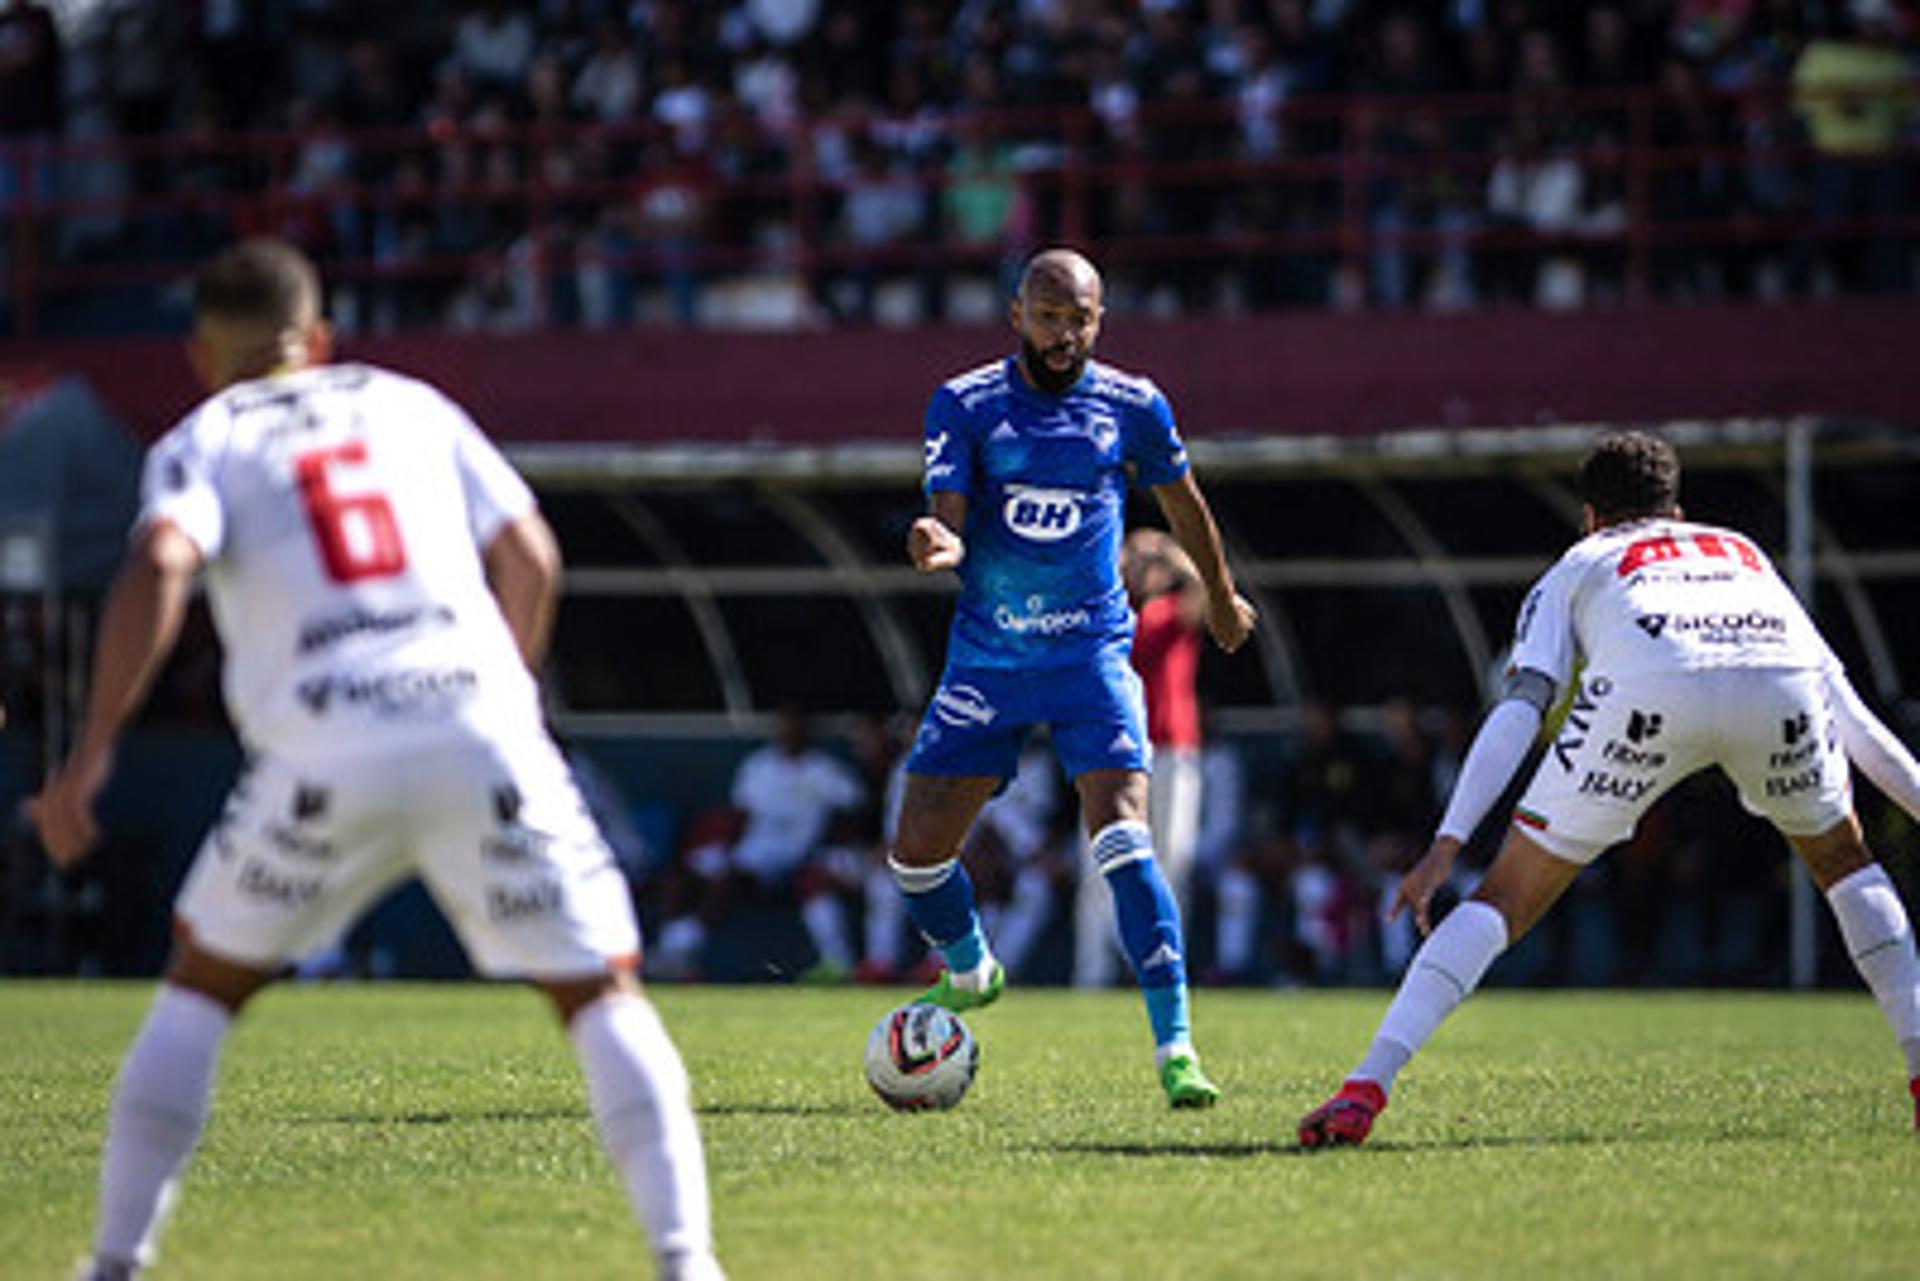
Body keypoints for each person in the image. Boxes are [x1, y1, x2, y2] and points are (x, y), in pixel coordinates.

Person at [28, 238, 722, 1280]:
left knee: (201, 989)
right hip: (477, 722)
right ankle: (687, 1263)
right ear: (321, 337)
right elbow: (531, 554)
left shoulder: (202, 435)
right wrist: (509, 698)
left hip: (323, 742)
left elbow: (163, 560)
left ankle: (115, 1264)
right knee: (599, 995)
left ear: (200, 355)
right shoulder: (413, 405)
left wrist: (88, 756)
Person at [1298, 431, 1920, 1147]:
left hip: (1646, 696)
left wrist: (1447, 844)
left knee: (1501, 899)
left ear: (1590, 514)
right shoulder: (1743, 552)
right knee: (1846, 864)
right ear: (1679, 512)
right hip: (1773, 685)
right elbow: (1856, 719)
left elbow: (1522, 705)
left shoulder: (1581, 561)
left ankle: (1364, 1087)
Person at [892, 246, 1256, 1107]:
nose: (1065, 334)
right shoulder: (967, 402)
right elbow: (947, 517)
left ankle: (1176, 1050)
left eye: (1081, 318)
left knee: (1124, 834)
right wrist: (938, 544)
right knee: (915, 856)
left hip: (1091, 654)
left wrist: (1225, 597)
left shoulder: (1132, 403)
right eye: (1050, 315)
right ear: (1017, 314)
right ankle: (973, 968)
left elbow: (1183, 504)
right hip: (990, 658)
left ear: (1101, 319)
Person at [1074, 527, 1206, 989]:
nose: (1142, 567)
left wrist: (1171, 552)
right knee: (1098, 867)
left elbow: (1207, 591)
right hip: (1113, 754)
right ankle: (1090, 975)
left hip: (1172, 751)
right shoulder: (1107, 615)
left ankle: (1166, 974)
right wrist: (1121, 561)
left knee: (1172, 863)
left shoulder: (1172, 613)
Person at [651, 705, 865, 981]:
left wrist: (823, 844)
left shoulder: (825, 771)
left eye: (795, 726)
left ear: (807, 732)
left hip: (793, 856)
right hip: (751, 848)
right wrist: (727, 847)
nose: (788, 732)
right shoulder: (759, 765)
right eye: (783, 725)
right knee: (681, 877)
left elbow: (853, 810)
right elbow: (741, 815)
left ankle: (681, 946)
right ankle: (674, 954)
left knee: (730, 878)